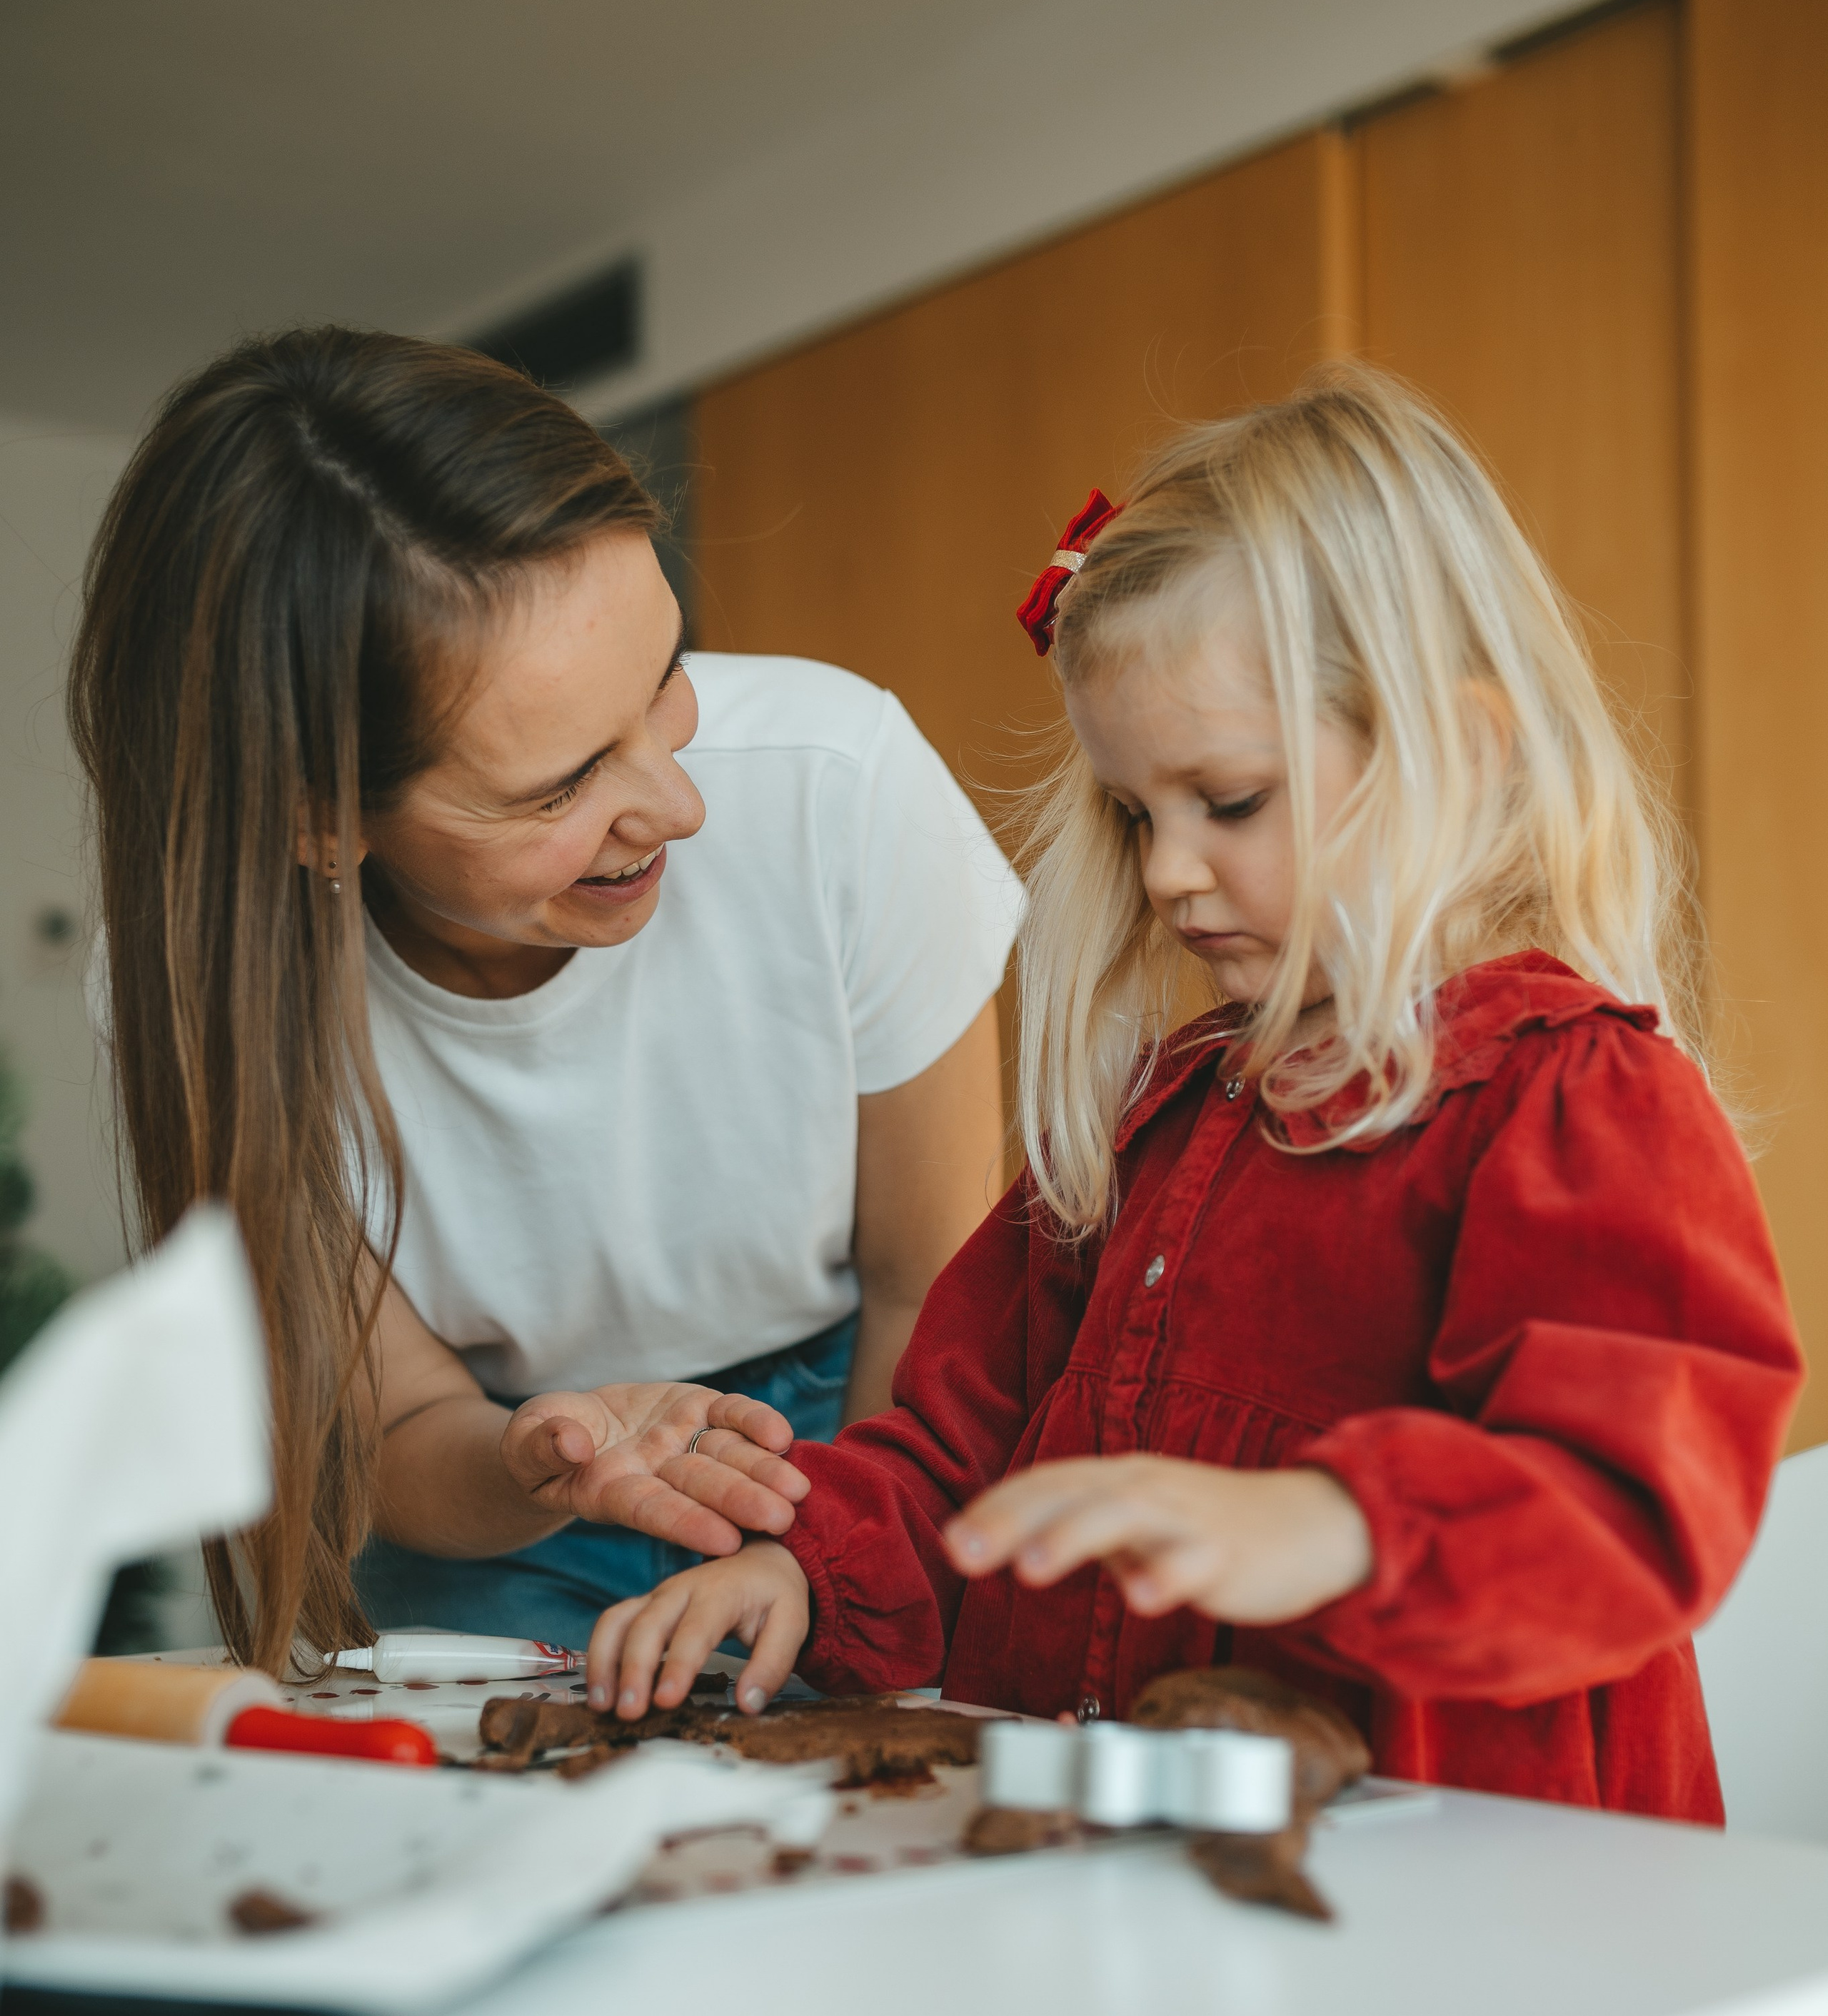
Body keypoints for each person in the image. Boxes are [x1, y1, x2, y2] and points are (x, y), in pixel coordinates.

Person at [586, 368, 1802, 1825]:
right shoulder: (1151, 1121)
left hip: (1458, 1904)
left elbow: (1627, 1499)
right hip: (1117, 1870)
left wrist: (1328, 1525)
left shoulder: (1571, 1100)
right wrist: (801, 1562)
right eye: (1130, 814)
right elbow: (957, 1444)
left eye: (1225, 802)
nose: (1165, 871)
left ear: (1457, 758)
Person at [71, 328, 1015, 1673]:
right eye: (561, 786)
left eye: (663, 683)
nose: (679, 806)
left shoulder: (836, 784)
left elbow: (934, 1289)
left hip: (866, 1422)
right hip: (501, 1493)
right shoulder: (199, 985)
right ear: (318, 825)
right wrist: (550, 1465)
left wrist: (818, 1556)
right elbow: (397, 1431)